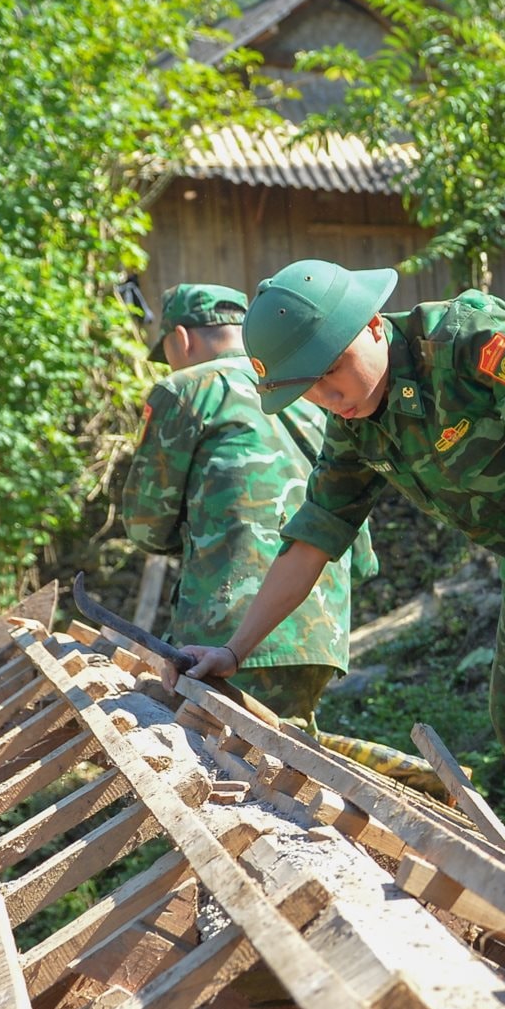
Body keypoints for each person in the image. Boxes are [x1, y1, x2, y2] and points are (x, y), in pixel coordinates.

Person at [173, 260, 505, 955]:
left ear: (375, 326)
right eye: (308, 387)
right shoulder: (355, 429)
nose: (329, 395)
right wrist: (234, 650)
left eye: (333, 370)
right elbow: (313, 540)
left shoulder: (471, 341)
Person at [121, 282, 374, 729]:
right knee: (280, 753)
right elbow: (358, 542)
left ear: (181, 338)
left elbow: (145, 525)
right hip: (321, 628)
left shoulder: (188, 388)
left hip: (227, 628)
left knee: (213, 755)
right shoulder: (308, 387)